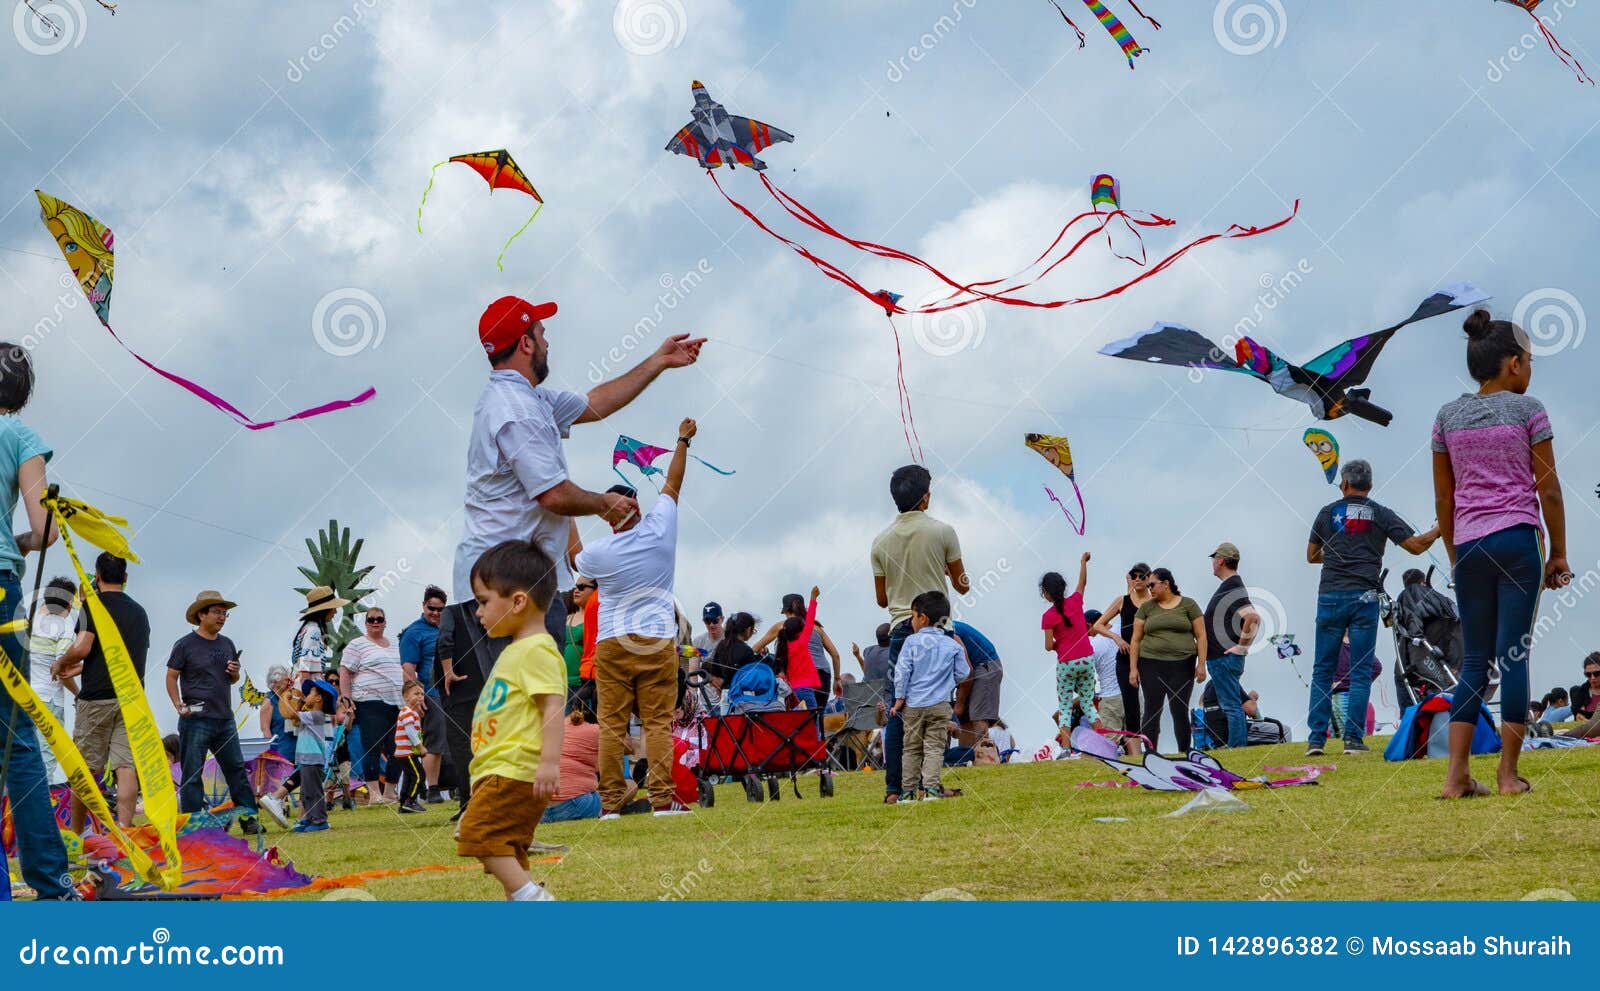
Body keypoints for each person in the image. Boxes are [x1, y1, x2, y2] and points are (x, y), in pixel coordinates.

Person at [451, 296, 704, 641]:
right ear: (526, 344)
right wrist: (605, 504)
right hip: (508, 588)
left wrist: (658, 361)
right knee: (527, 693)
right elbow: (553, 494)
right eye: (541, 333)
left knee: (530, 692)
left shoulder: (530, 399)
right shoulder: (517, 409)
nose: (547, 341)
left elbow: (596, 404)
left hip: (514, 583)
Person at [1432, 309, 1569, 796]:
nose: (1531, 368)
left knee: (1474, 662)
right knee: (1514, 656)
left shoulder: (1447, 416)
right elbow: (1548, 490)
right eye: (1529, 359)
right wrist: (1559, 554)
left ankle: (1456, 778)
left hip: (1469, 543)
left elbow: (1444, 500)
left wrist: (1454, 552)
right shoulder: (1529, 410)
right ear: (1512, 364)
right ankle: (1508, 776)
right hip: (1516, 538)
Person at [574, 418, 698, 818]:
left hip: (612, 643)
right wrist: (681, 440)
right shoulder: (661, 527)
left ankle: (610, 805)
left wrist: (564, 508)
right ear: (635, 507)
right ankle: (662, 802)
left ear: (608, 518)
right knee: (657, 724)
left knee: (611, 727)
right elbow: (674, 483)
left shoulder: (599, 553)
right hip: (656, 640)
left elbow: (573, 557)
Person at [0, 341, 73, 899]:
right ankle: (50, 881)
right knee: (18, 742)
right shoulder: (19, 438)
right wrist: (24, 540)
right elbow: (44, 528)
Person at [456, 536, 566, 902]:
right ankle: (522, 900)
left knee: (477, 833)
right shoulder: (516, 650)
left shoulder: (537, 649)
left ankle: (532, 898)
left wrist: (549, 763)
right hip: (497, 769)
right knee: (506, 848)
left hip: (514, 768)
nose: (477, 612)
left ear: (518, 601)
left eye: (484, 601)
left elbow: (553, 704)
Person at [1307, 459, 1440, 756]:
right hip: (1364, 597)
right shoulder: (1380, 513)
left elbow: (1312, 555)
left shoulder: (1327, 513)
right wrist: (1439, 528)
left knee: (1322, 669)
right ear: (1370, 485)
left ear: (1343, 484)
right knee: (1361, 669)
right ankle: (1353, 740)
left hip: (1330, 595)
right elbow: (1416, 547)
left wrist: (1337, 554)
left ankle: (1316, 740)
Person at [869, 464, 969, 803]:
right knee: (937, 706)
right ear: (925, 498)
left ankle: (895, 789)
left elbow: (882, 599)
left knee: (900, 708)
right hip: (939, 631)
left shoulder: (880, 541)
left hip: (901, 627)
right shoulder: (943, 532)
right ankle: (932, 784)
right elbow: (963, 585)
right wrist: (945, 570)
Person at [56, 552, 151, 834]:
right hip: (131, 698)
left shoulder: (93, 607)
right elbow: (119, 654)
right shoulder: (139, 611)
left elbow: (84, 646)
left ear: (97, 576)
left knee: (84, 769)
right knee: (125, 766)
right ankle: (125, 830)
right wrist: (84, 667)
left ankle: (76, 832)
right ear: (125, 577)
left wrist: (63, 662)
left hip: (97, 697)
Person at [167, 590, 261, 833]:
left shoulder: (227, 643)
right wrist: (177, 703)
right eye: (217, 612)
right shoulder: (184, 645)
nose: (222, 617)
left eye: (224, 613)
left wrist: (235, 673)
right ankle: (193, 826)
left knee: (236, 770)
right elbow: (171, 675)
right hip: (195, 719)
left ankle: (249, 820)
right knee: (192, 774)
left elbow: (231, 680)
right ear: (201, 614)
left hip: (224, 718)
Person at [890, 591, 970, 803]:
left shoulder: (911, 642)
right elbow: (963, 673)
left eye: (913, 616)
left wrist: (899, 698)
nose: (911, 621)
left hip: (913, 705)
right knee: (935, 748)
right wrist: (948, 682)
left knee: (911, 749)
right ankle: (932, 790)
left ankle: (907, 792)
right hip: (940, 704)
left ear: (923, 618)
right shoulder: (952, 644)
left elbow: (902, 671)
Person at [1129, 568, 1206, 754]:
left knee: (1179, 710)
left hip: (1183, 664)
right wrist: (1133, 668)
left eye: (1152, 585)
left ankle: (1185, 753)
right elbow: (1136, 639)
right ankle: (1150, 754)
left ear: (1166, 584)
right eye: (1148, 586)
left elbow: (1201, 635)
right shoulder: (1146, 608)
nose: (1150, 589)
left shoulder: (1188, 605)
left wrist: (1201, 664)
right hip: (1150, 664)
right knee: (1152, 710)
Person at [340, 606, 404, 805]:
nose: (375, 622)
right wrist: (346, 698)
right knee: (372, 747)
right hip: (369, 701)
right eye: (371, 619)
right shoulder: (357, 644)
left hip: (396, 703)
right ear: (366, 623)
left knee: (398, 748)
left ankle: (390, 792)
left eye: (379, 619)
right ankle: (374, 794)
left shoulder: (394, 646)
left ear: (385, 622)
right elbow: (344, 671)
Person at [1091, 563, 1152, 755]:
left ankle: (1151, 751)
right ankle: (1135, 756)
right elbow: (1100, 625)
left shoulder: (1154, 602)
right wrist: (1116, 639)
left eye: (1142, 576)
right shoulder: (1122, 601)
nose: (1137, 579)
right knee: (1131, 705)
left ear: (1149, 578)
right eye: (1134, 576)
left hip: (1148, 658)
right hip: (1125, 659)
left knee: (1151, 704)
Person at [1203, 542, 1258, 749]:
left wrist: (1241, 647)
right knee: (1232, 705)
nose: (1212, 564)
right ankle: (1237, 746)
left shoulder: (1231, 586)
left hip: (1224, 658)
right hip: (1223, 658)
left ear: (1221, 561)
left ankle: (1237, 747)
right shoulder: (1233, 585)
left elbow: (1252, 617)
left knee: (1232, 707)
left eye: (1214, 560)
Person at [399, 585, 448, 803]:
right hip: (430, 693)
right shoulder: (413, 632)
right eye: (432, 608)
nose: (436, 613)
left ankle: (450, 785)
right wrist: (416, 699)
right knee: (434, 742)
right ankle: (432, 788)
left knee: (452, 741)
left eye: (440, 609)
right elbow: (408, 670)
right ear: (423, 606)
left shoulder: (447, 627)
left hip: (451, 693)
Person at [26, 576, 76, 786]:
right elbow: (60, 671)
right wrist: (79, 694)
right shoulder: (64, 625)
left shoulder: (30, 620)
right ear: (69, 602)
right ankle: (41, 807)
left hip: (25, 696)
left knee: (22, 754)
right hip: (49, 698)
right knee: (46, 754)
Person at [754, 592, 842, 710]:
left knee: (802, 718)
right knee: (818, 715)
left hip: (799, 680)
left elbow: (754, 649)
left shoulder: (781, 626)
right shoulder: (816, 628)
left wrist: (762, 650)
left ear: (785, 611)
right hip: (822, 674)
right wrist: (837, 679)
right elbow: (835, 655)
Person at [1041, 554, 1096, 735]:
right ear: (1063, 588)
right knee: (1088, 704)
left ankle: (1065, 748)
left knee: (1065, 707)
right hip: (1087, 659)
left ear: (1046, 593)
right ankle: (1107, 741)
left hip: (1067, 663)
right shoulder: (1076, 601)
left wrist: (1060, 644)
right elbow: (1083, 582)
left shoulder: (1048, 616)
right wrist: (1083, 562)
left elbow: (1048, 646)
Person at [283, 678, 336, 833]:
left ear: (318, 698)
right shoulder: (310, 714)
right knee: (306, 791)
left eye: (311, 693)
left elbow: (292, 714)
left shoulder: (317, 715)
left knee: (314, 791)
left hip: (313, 759)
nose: (306, 695)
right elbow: (296, 720)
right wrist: (299, 702)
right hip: (306, 759)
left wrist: (285, 699)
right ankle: (308, 819)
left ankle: (320, 820)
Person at [256, 665, 299, 828]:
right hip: (280, 745)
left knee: (301, 770)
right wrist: (270, 750)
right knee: (287, 775)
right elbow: (265, 728)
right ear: (274, 684)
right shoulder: (269, 701)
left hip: (294, 741)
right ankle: (278, 801)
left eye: (288, 679)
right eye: (284, 680)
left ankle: (279, 800)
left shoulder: (290, 697)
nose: (288, 682)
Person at [542, 708, 601, 823]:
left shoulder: (556, 726)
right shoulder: (596, 730)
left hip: (542, 810)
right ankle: (616, 810)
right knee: (624, 787)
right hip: (575, 805)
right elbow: (628, 746)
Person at [951, 620, 1001, 746]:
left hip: (985, 666)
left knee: (978, 716)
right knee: (965, 718)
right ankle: (967, 759)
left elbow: (968, 673)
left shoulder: (948, 634)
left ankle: (985, 757)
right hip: (974, 669)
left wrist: (959, 704)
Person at [1082, 610, 1125, 747]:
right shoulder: (1122, 628)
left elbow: (1087, 677)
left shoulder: (1092, 645)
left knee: (1110, 744)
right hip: (1132, 692)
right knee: (1135, 739)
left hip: (1110, 697)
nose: (1088, 635)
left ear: (1089, 625)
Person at [1329, 636, 1381, 739]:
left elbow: (1376, 667)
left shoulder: (1334, 643)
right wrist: (1362, 684)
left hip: (1341, 693)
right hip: (1356, 692)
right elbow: (1377, 667)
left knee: (1346, 730)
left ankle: (1355, 749)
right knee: (1358, 727)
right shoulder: (1358, 643)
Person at [293, 585, 347, 680]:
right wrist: (309, 692)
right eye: (333, 607)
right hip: (307, 689)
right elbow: (305, 669)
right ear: (325, 610)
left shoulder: (307, 628)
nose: (335, 611)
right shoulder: (314, 631)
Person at [393, 679, 428, 813]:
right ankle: (411, 801)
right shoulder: (407, 712)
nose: (420, 697)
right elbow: (410, 732)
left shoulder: (411, 713)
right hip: (406, 751)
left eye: (422, 694)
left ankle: (403, 803)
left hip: (405, 752)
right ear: (406, 696)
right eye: (416, 694)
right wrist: (420, 747)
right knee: (419, 775)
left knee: (409, 777)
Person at [1558, 655, 1600, 738]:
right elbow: (1578, 718)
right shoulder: (1580, 694)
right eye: (1588, 674)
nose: (1592, 677)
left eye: (1596, 673)